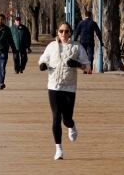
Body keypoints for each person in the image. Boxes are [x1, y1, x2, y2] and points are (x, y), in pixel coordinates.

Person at [39, 22, 90, 160]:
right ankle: (59, 149)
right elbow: (43, 59)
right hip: (54, 86)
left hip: (69, 87)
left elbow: (89, 69)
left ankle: (71, 126)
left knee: (66, 119)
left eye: (66, 31)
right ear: (57, 32)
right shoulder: (51, 46)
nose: (63, 34)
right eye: (61, 31)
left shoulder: (77, 47)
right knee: (56, 117)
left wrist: (78, 65)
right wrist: (43, 64)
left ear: (70, 33)